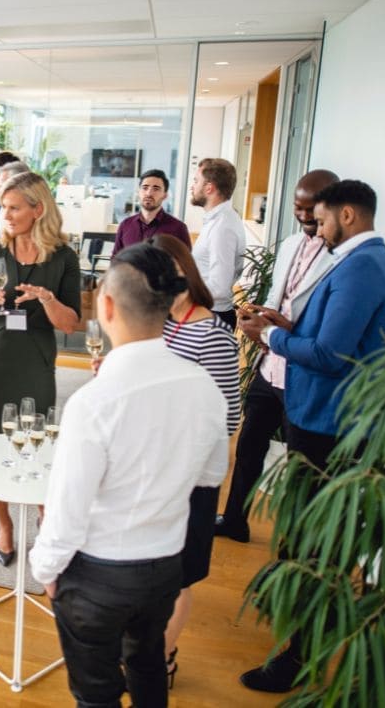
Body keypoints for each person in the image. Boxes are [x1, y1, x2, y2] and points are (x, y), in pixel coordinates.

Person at [30, 243, 229, 708]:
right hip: (164, 567)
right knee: (147, 666)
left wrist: (47, 571)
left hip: (99, 575)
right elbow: (210, 474)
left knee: (96, 695)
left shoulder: (94, 402)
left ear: (105, 306)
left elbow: (67, 510)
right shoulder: (204, 387)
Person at [237, 179, 385, 693]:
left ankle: (299, 658)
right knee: (309, 536)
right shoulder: (377, 264)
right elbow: (339, 339)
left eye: (326, 218)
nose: (319, 226)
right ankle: (297, 629)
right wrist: (288, 323)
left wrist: (269, 336)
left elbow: (333, 357)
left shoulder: (359, 268)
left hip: (330, 421)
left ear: (349, 215)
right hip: (329, 415)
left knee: (315, 546)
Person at [215, 169, 339, 543]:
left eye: (309, 208)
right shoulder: (288, 244)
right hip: (270, 366)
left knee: (301, 462)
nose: (302, 216)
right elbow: (277, 296)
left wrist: (280, 329)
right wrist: (259, 315)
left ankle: (294, 545)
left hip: (303, 372)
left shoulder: (340, 258)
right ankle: (235, 518)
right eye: (297, 208)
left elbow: (324, 330)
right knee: (249, 446)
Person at [0, 171, 81, 567]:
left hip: (35, 358)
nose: (6, 215)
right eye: (3, 207)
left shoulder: (64, 257)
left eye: (14, 208)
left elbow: (70, 323)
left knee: (39, 443)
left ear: (38, 209)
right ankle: (4, 526)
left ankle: (44, 516)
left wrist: (47, 298)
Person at [150, 234, 240, 690]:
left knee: (179, 576)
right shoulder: (164, 326)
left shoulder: (213, 335)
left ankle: (163, 660)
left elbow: (229, 419)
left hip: (191, 477)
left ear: (184, 273)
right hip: (154, 470)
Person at [189, 158, 246, 329]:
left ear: (209, 188)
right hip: (207, 313)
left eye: (196, 181)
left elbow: (219, 288)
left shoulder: (222, 227)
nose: (192, 186)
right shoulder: (218, 220)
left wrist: (179, 293)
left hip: (212, 318)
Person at [111, 169, 191, 253]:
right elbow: (115, 260)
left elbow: (185, 263)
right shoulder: (125, 225)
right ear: (139, 192)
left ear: (165, 195)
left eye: (156, 189)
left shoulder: (178, 228)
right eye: (145, 188)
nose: (149, 193)